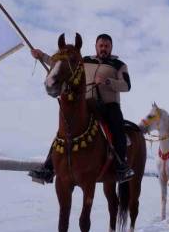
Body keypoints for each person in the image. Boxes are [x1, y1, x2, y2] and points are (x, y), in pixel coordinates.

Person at [28, 33, 135, 184]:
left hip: (109, 105)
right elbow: (62, 62)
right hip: (87, 103)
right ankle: (48, 167)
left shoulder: (119, 65)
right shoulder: (84, 61)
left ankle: (121, 166)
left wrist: (108, 82)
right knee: (64, 131)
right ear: (96, 47)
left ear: (111, 47)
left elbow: (126, 85)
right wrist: (41, 56)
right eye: (101, 45)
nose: (103, 48)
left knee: (117, 128)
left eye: (106, 46)